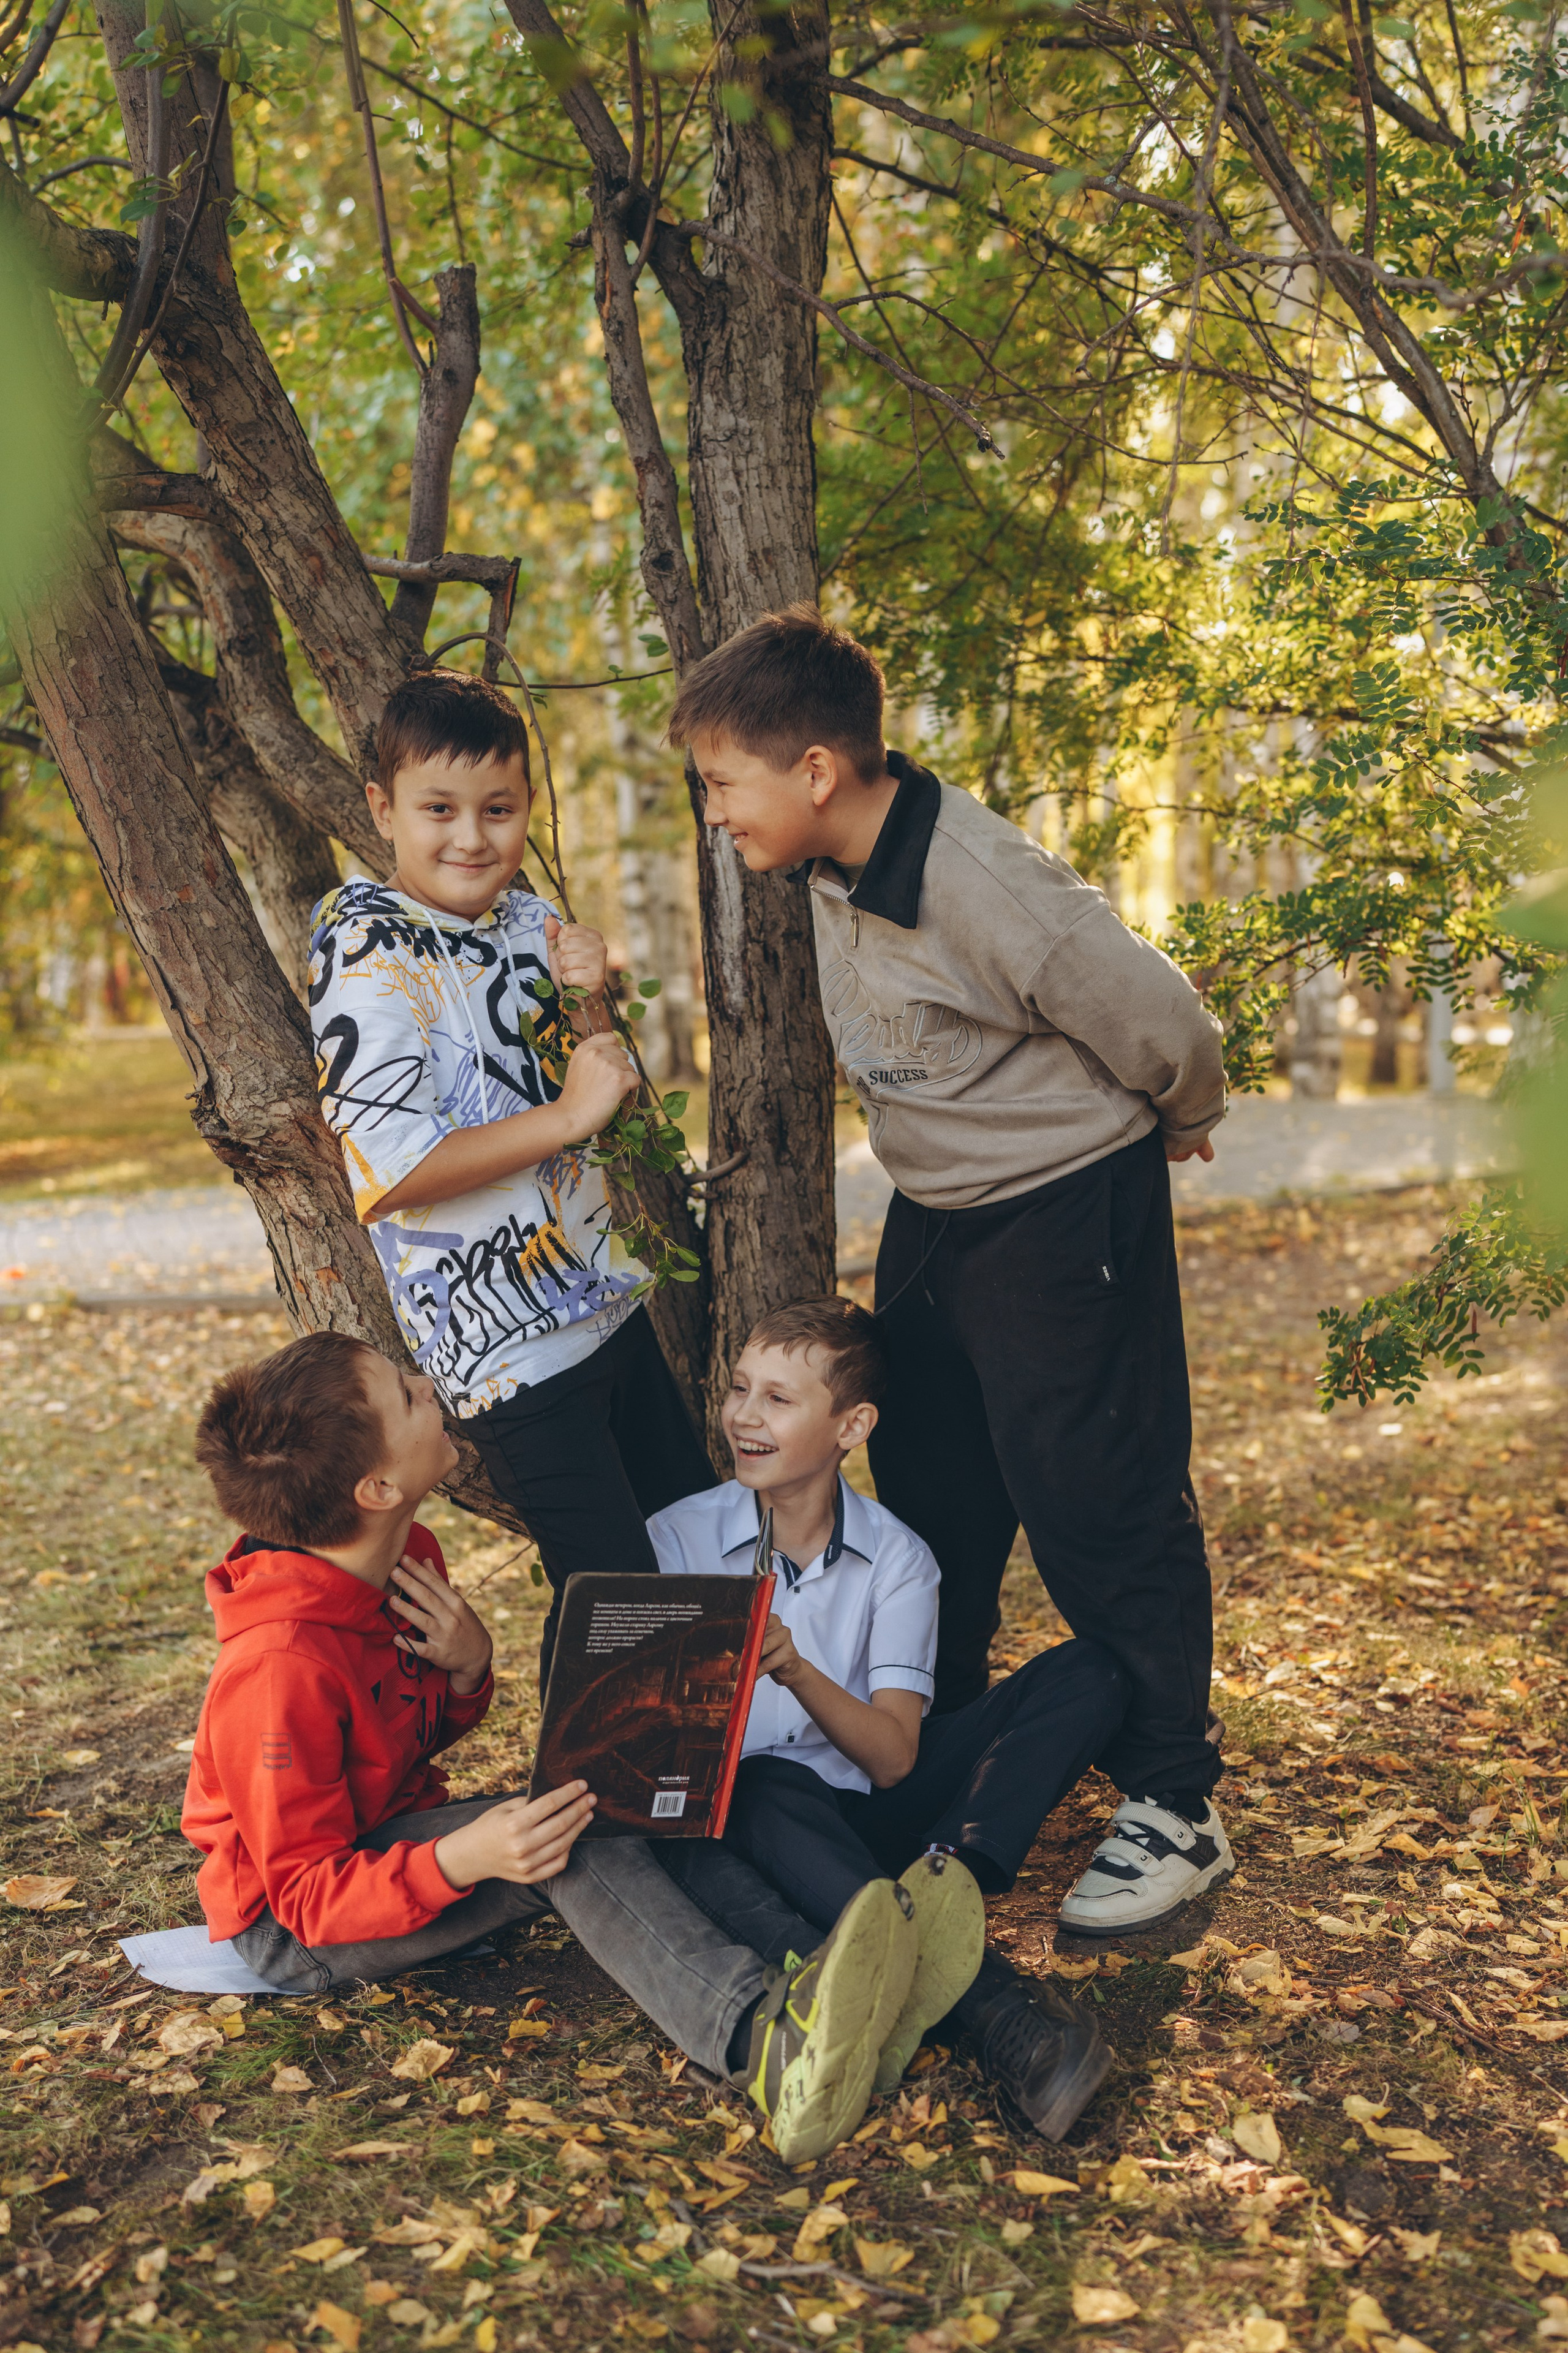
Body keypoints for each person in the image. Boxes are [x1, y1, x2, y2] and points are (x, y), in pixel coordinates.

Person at [668, 608, 1232, 1936]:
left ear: (815, 770)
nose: (713, 817)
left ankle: (1172, 1799)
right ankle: (953, 1753)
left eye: (721, 785)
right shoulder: (818, 860)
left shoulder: (983, 882)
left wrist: (1184, 1112)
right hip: (934, 1216)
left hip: (1061, 1214)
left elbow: (1161, 1020)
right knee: (935, 1486)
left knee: (1096, 1495)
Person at [181, 1327, 931, 2162]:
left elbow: (394, 1741)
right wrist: (462, 1858)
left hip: (387, 1851)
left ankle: (831, 1976)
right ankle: (764, 2043)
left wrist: (469, 1673)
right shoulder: (277, 1669)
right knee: (564, 1843)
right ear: (379, 1483)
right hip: (299, 1927)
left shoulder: (403, 1562)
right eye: (406, 1392)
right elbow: (305, 1899)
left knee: (619, 1798)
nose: (428, 1383)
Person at [308, 666, 715, 1682]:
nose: (470, 837)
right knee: (619, 1596)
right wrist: (569, 1112)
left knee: (696, 1555)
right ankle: (608, 1821)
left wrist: (589, 996)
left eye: (498, 809)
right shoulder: (361, 944)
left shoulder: (525, 918)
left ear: (528, 806)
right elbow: (390, 1171)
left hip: (602, 1297)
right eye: (437, 809)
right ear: (381, 808)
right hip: (506, 1347)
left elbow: (598, 1085)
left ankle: (712, 1793)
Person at [649, 1297, 1123, 2139]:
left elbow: (896, 1758)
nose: (744, 1417)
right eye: (740, 1389)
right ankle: (992, 2005)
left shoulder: (897, 1556)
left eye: (778, 1399)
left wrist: (794, 1667)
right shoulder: (673, 1540)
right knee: (762, 1781)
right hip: (747, 1821)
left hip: (879, 1810)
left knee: (1087, 1672)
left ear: (852, 1424)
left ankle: (947, 1891)